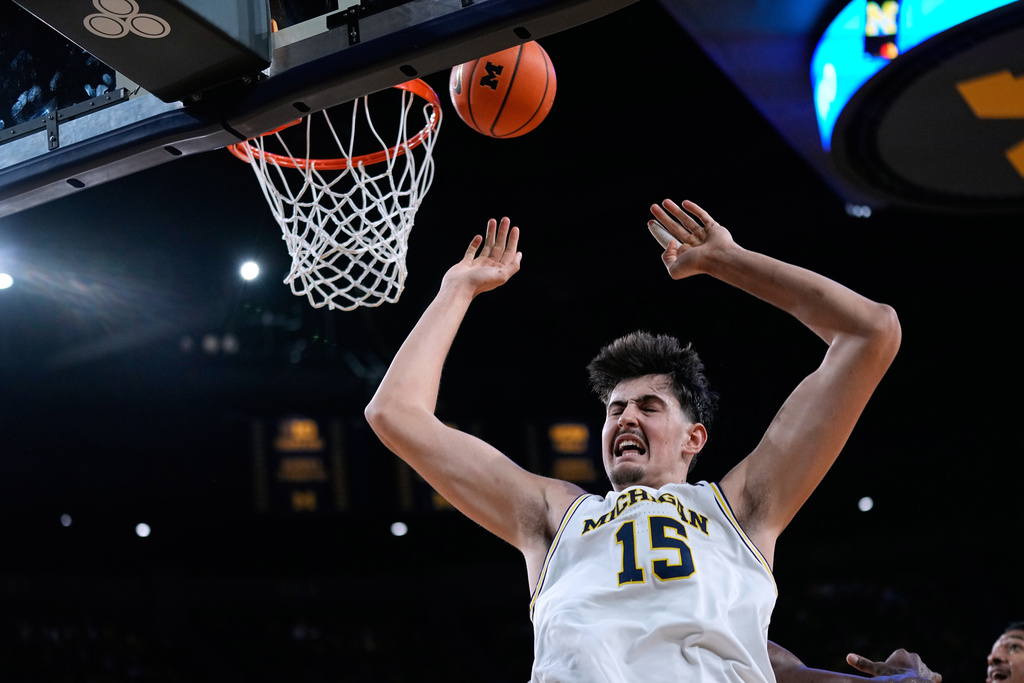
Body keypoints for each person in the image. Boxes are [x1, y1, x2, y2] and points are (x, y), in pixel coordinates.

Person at [364, 198, 902, 682]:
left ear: (695, 438)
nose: (625, 418)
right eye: (615, 409)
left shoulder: (742, 507)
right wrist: (456, 288)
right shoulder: (553, 516)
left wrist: (726, 261)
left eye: (649, 407)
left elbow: (871, 332)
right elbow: (395, 414)